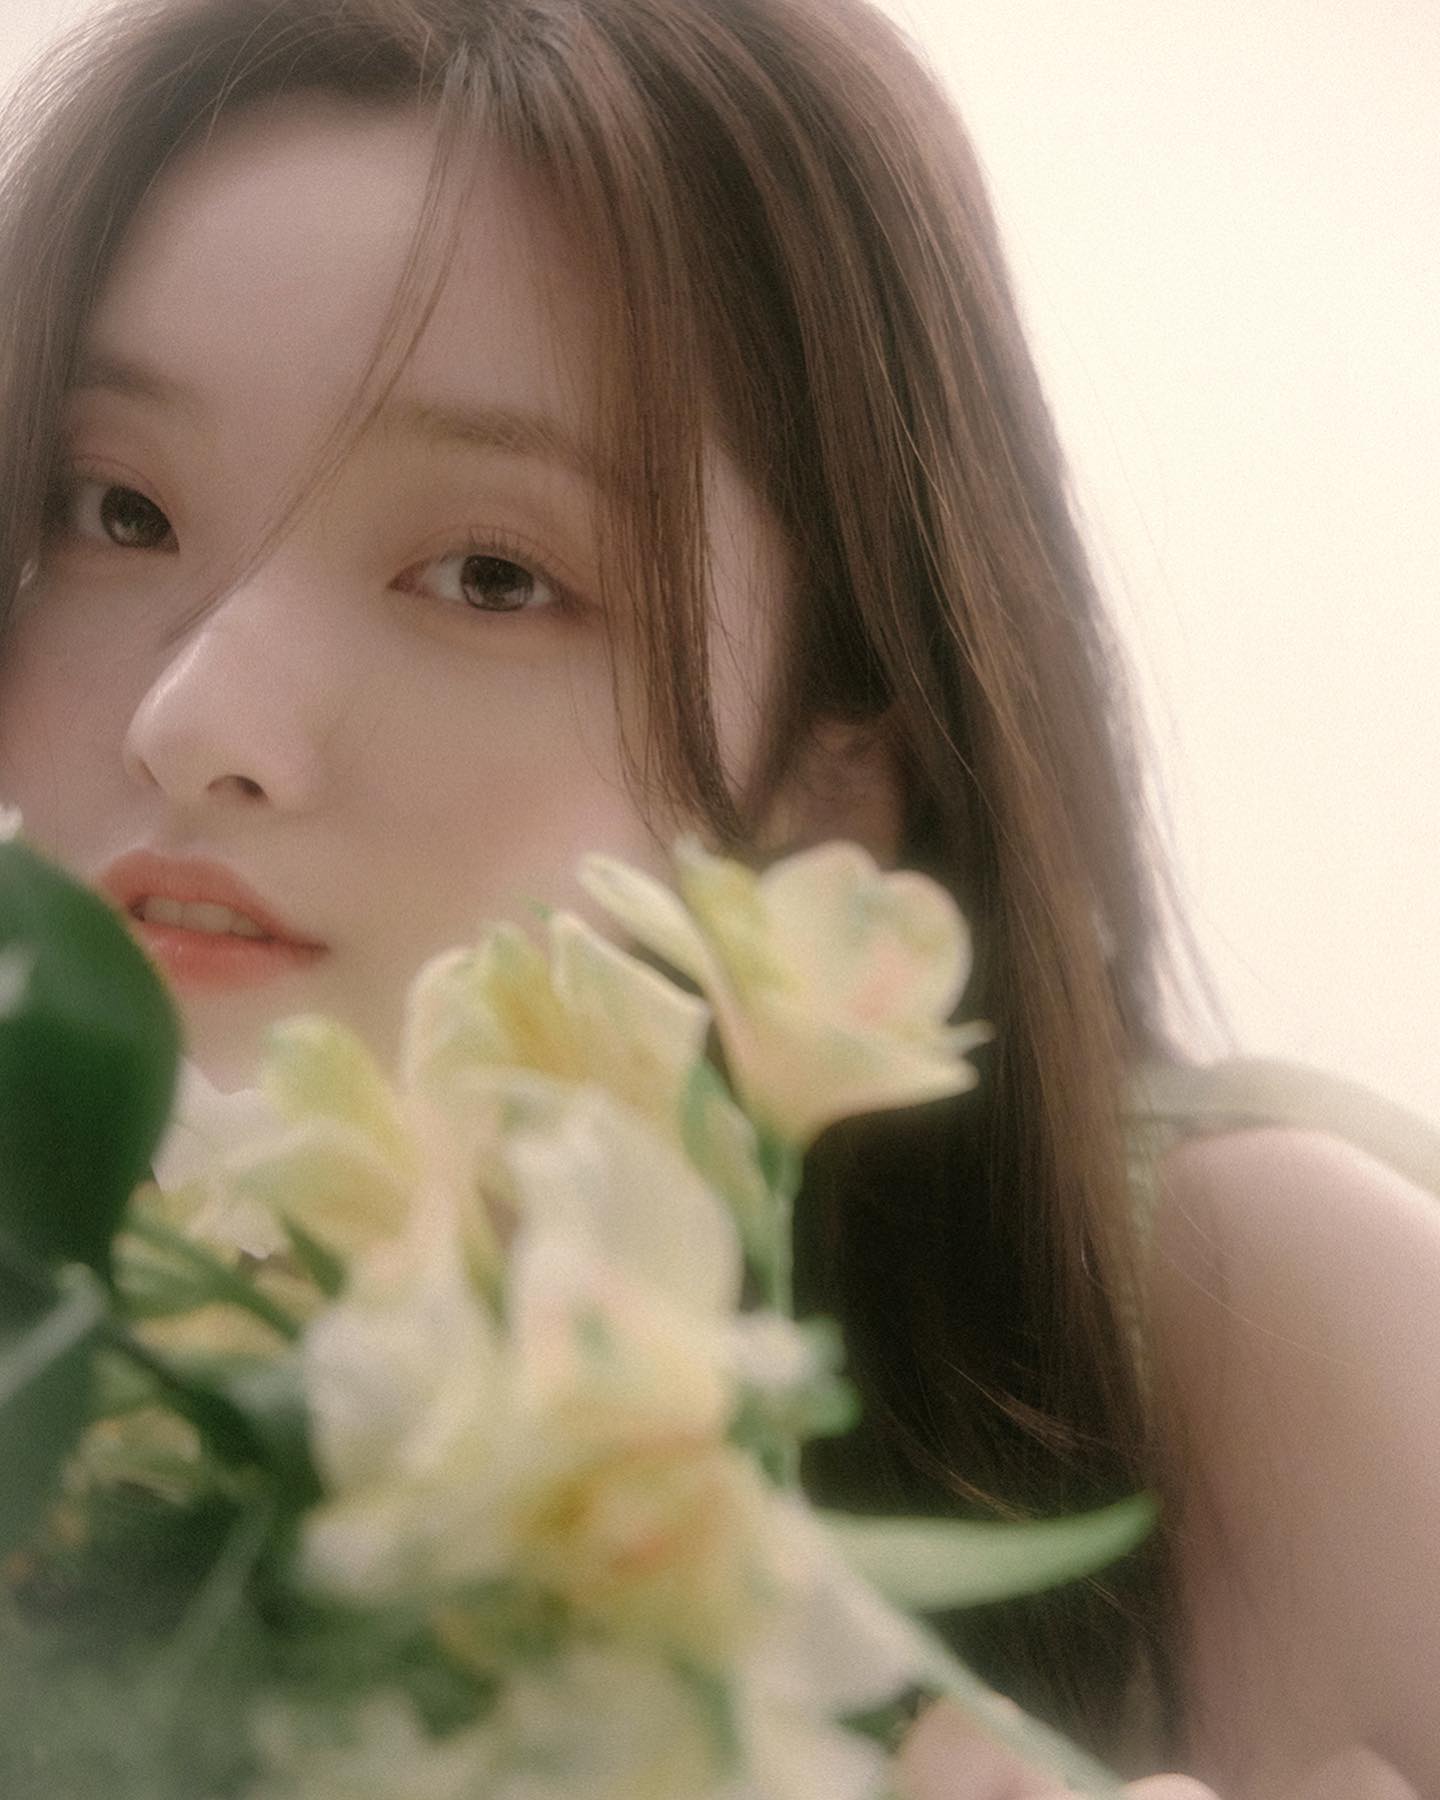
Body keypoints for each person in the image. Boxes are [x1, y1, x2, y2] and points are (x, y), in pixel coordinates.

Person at [0, 1, 1435, 1794]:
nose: (194, 719)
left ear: (836, 774)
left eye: (490, 574)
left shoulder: (1252, 1324)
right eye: (117, 510)